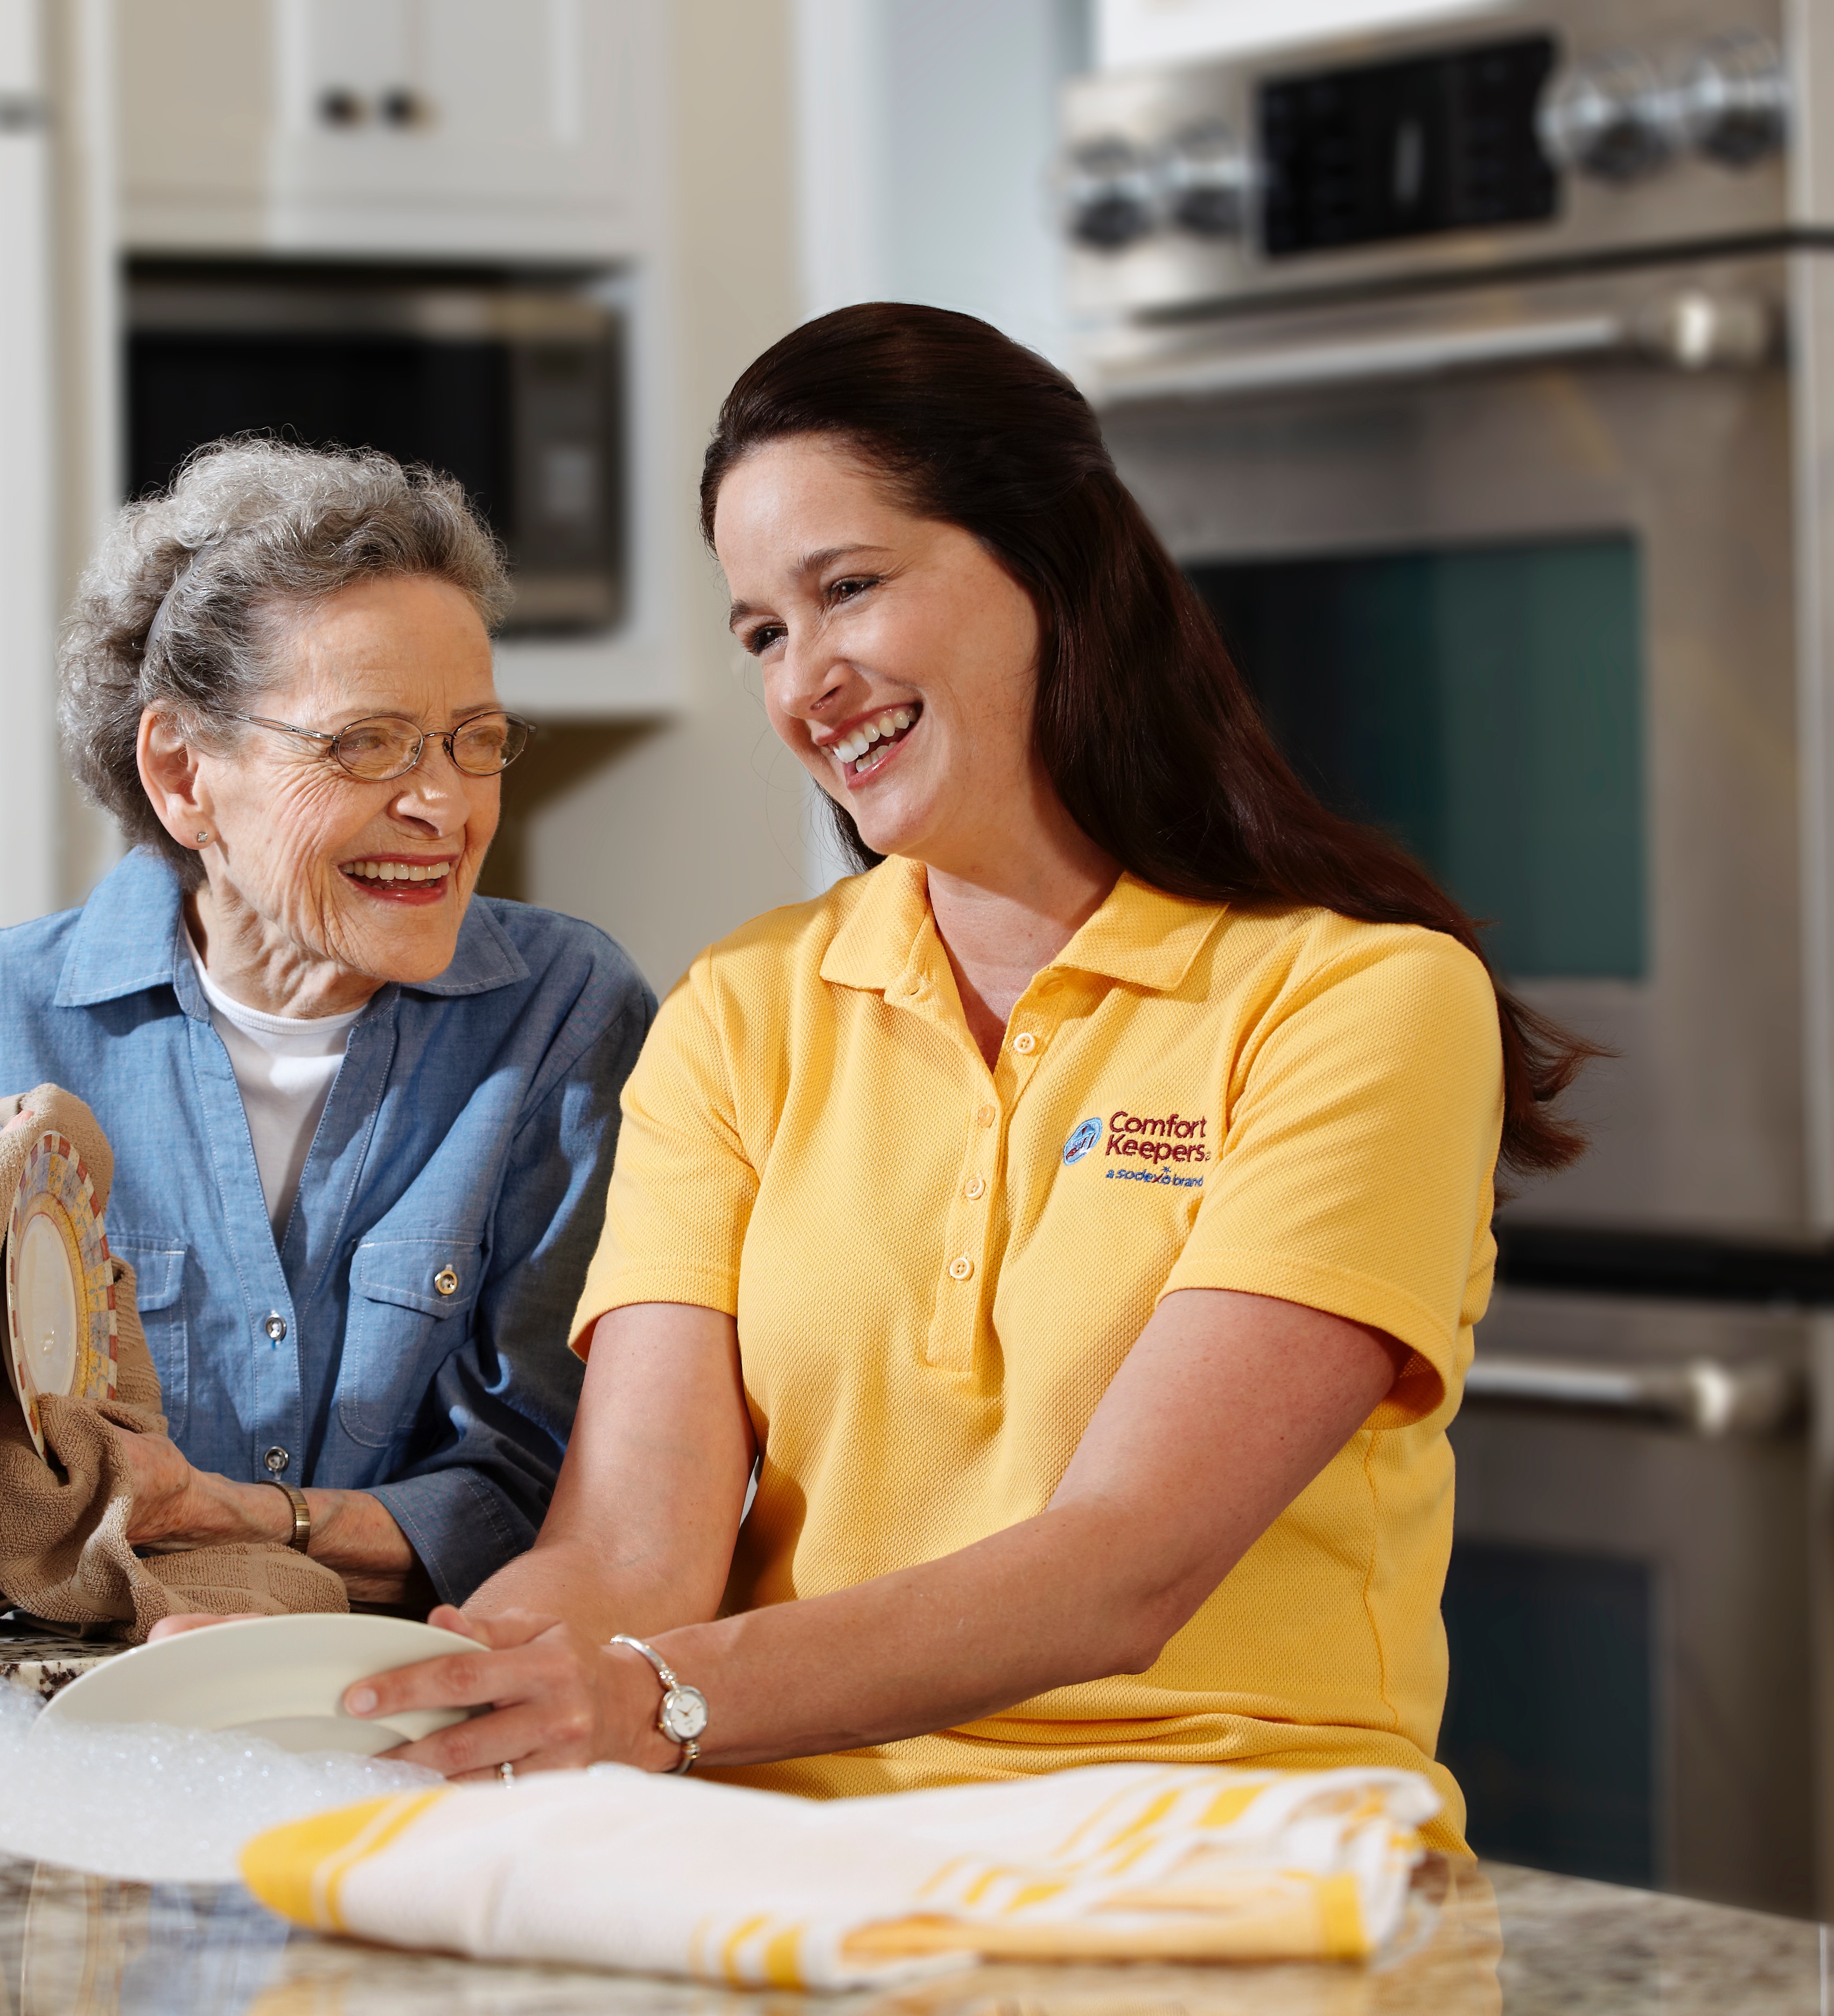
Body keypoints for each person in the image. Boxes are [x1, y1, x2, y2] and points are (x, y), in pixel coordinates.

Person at [333, 305, 1594, 1839]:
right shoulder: (743, 1010)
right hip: (797, 1852)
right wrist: (383, 1687)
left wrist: (664, 1697)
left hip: (1222, 1858)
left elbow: (1127, 1565)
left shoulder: (1356, 1001)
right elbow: (631, 1554)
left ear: (1052, 564)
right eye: (761, 634)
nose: (807, 681)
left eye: (849, 589)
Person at [0, 440, 656, 1608]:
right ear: (185, 776)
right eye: (367, 743)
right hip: (58, 1702)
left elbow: (552, 1480)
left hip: (404, 1688)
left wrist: (235, 1518)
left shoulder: (565, 1011)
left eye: (472, 741)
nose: (443, 802)